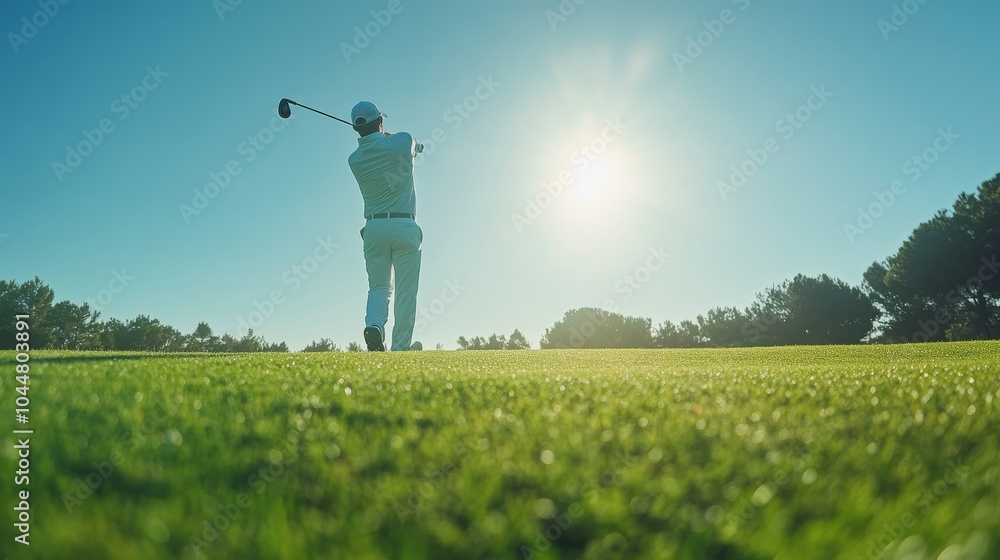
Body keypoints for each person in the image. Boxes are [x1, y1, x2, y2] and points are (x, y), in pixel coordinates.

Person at [347, 101, 423, 352]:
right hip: (404, 225)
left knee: (379, 287)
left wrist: (378, 136)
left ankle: (375, 326)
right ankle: (400, 348)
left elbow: (378, 144)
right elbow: (413, 144)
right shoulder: (402, 142)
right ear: (380, 122)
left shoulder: (355, 159)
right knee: (405, 291)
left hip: (374, 229)